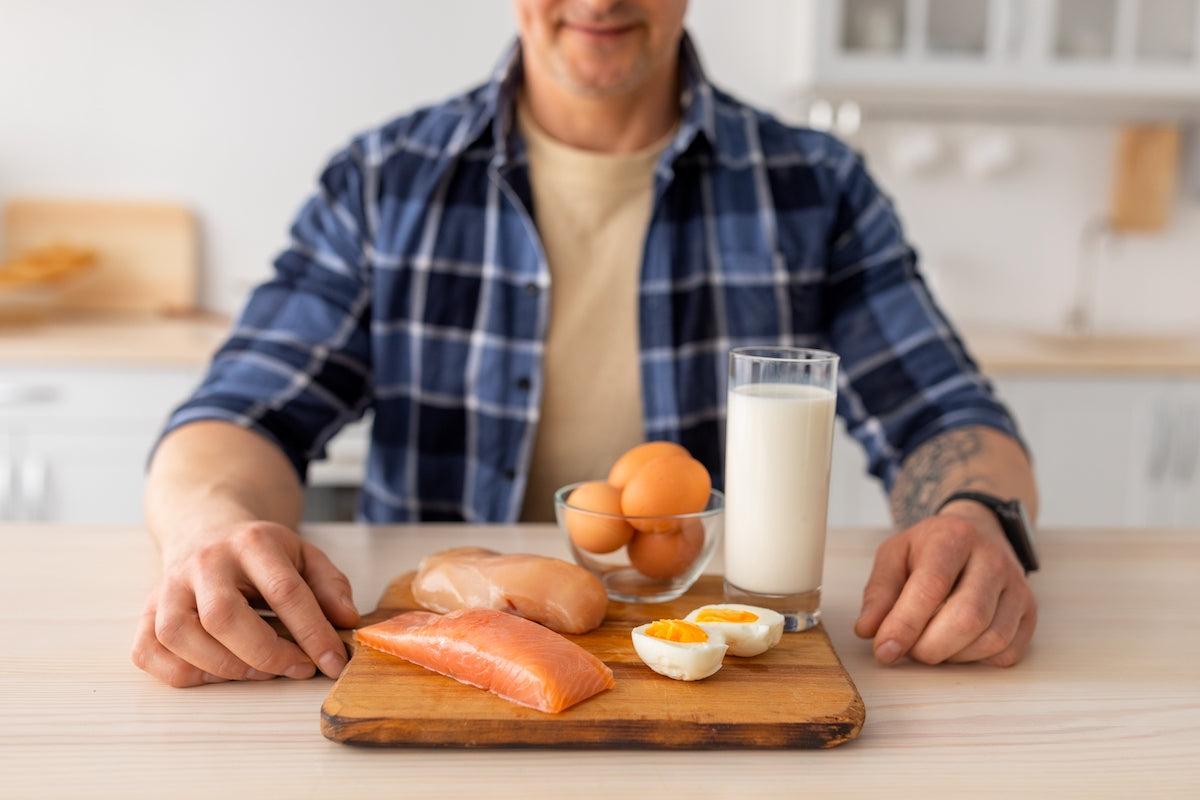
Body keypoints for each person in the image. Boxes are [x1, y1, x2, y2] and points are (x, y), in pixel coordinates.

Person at [132, 0, 1039, 688]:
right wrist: (210, 531)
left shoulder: (814, 186)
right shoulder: (386, 181)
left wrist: (975, 519)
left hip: (714, 681)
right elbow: (240, 410)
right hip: (434, 683)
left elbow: (948, 415)